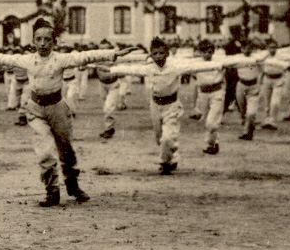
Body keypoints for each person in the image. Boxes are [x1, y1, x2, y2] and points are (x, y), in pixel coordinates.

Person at [0, 19, 129, 206]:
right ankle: (52, 191)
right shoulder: (27, 60)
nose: (42, 44)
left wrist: (113, 53)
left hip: (58, 109)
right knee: (44, 152)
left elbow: (84, 56)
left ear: (54, 42)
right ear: (33, 41)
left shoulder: (60, 59)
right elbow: (3, 59)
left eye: (47, 39)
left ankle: (72, 183)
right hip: (36, 111)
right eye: (38, 39)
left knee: (66, 150)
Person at [110, 38, 258, 174]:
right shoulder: (149, 68)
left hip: (172, 106)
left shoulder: (176, 67)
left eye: (162, 53)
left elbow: (200, 67)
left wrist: (229, 64)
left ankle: (166, 163)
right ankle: (171, 154)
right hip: (155, 105)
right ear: (151, 55)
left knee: (167, 138)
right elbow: (130, 69)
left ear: (167, 53)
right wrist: (110, 69)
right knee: (159, 138)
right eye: (155, 54)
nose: (159, 57)